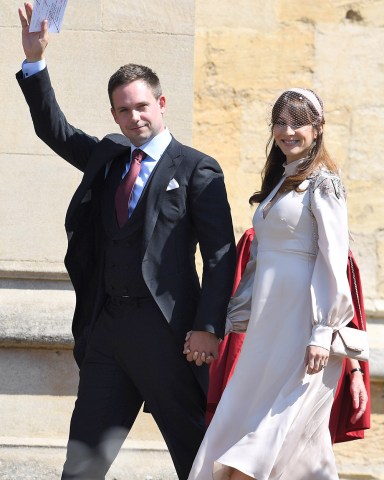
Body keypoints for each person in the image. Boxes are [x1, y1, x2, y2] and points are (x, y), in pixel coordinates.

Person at [16, 3, 236, 479]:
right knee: (82, 464)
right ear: (114, 115)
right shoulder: (110, 157)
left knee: (195, 458)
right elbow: (54, 130)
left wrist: (208, 328)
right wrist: (35, 61)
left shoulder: (198, 169)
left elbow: (220, 257)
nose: (134, 116)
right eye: (123, 109)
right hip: (108, 333)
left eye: (142, 105)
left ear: (161, 103)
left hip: (171, 338)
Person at [187, 88, 366, 480]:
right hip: (267, 333)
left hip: (302, 333)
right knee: (287, 455)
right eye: (281, 122)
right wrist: (235, 316)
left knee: (261, 449)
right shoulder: (280, 184)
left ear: (318, 129)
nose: (288, 130)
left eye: (299, 122)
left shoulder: (324, 184)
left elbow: (334, 259)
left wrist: (322, 332)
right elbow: (258, 261)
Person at [206, 228, 370, 441]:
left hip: (315, 371)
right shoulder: (260, 238)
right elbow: (241, 307)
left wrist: (355, 372)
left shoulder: (335, 246)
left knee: (300, 450)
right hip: (263, 366)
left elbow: (342, 320)